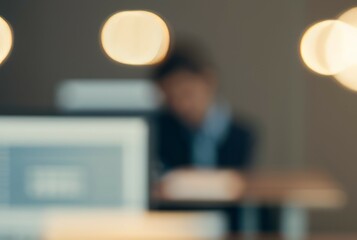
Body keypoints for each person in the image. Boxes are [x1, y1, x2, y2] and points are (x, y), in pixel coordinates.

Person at [152, 42, 255, 172]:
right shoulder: (161, 129)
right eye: (171, 98)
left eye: (187, 93)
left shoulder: (242, 134)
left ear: (209, 80)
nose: (181, 106)